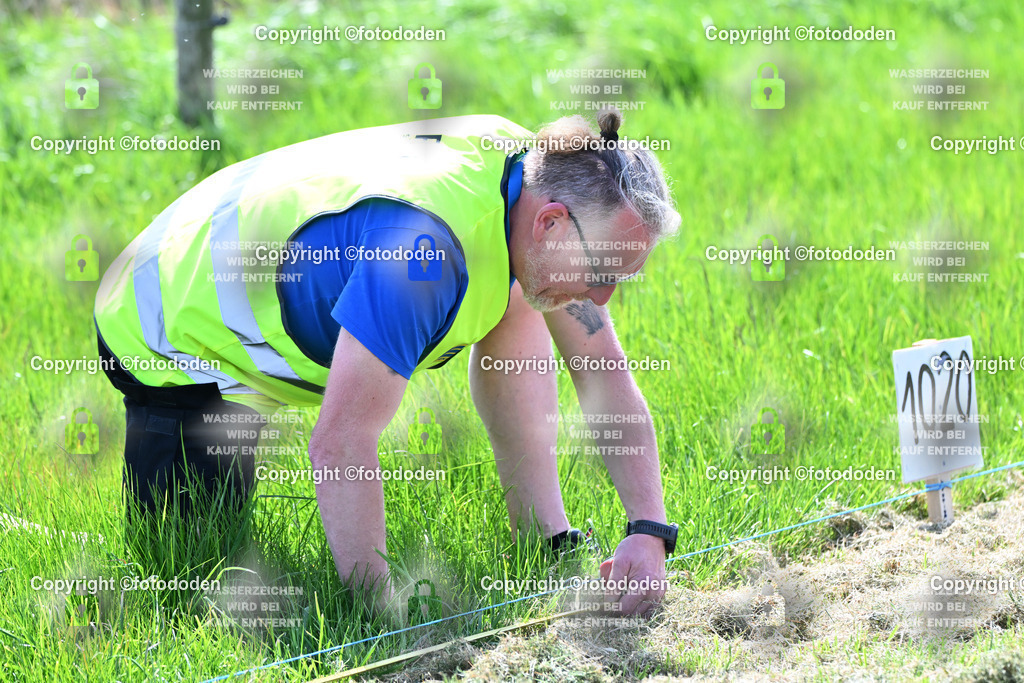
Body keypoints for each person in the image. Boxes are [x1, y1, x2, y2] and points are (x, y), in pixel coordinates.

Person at [94, 108, 681, 616]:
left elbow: (602, 370)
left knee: (521, 294)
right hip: (171, 323)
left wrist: (649, 532)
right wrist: (385, 613)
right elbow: (340, 441)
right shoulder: (421, 255)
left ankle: (544, 539)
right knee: (189, 565)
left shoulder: (531, 178)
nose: (603, 298)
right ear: (551, 221)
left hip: (269, 257)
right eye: (603, 273)